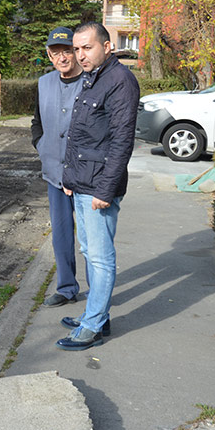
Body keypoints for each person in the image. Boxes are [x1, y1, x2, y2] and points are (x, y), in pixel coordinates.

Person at [56, 22, 140, 351]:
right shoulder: (94, 78)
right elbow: (82, 135)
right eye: (77, 49)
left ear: (107, 46)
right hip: (82, 182)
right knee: (90, 252)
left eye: (86, 48)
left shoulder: (120, 81)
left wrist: (105, 190)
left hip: (99, 187)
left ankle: (92, 326)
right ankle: (97, 315)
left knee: (102, 259)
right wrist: (69, 179)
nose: (80, 55)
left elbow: (121, 142)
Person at [30, 26, 84, 308]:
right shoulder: (44, 83)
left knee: (91, 240)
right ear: (49, 55)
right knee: (61, 232)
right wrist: (41, 145)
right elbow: (37, 121)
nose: (62, 57)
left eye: (67, 51)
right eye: (56, 52)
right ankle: (66, 287)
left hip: (86, 174)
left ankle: (99, 293)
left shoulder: (91, 81)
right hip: (54, 172)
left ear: (75, 52)